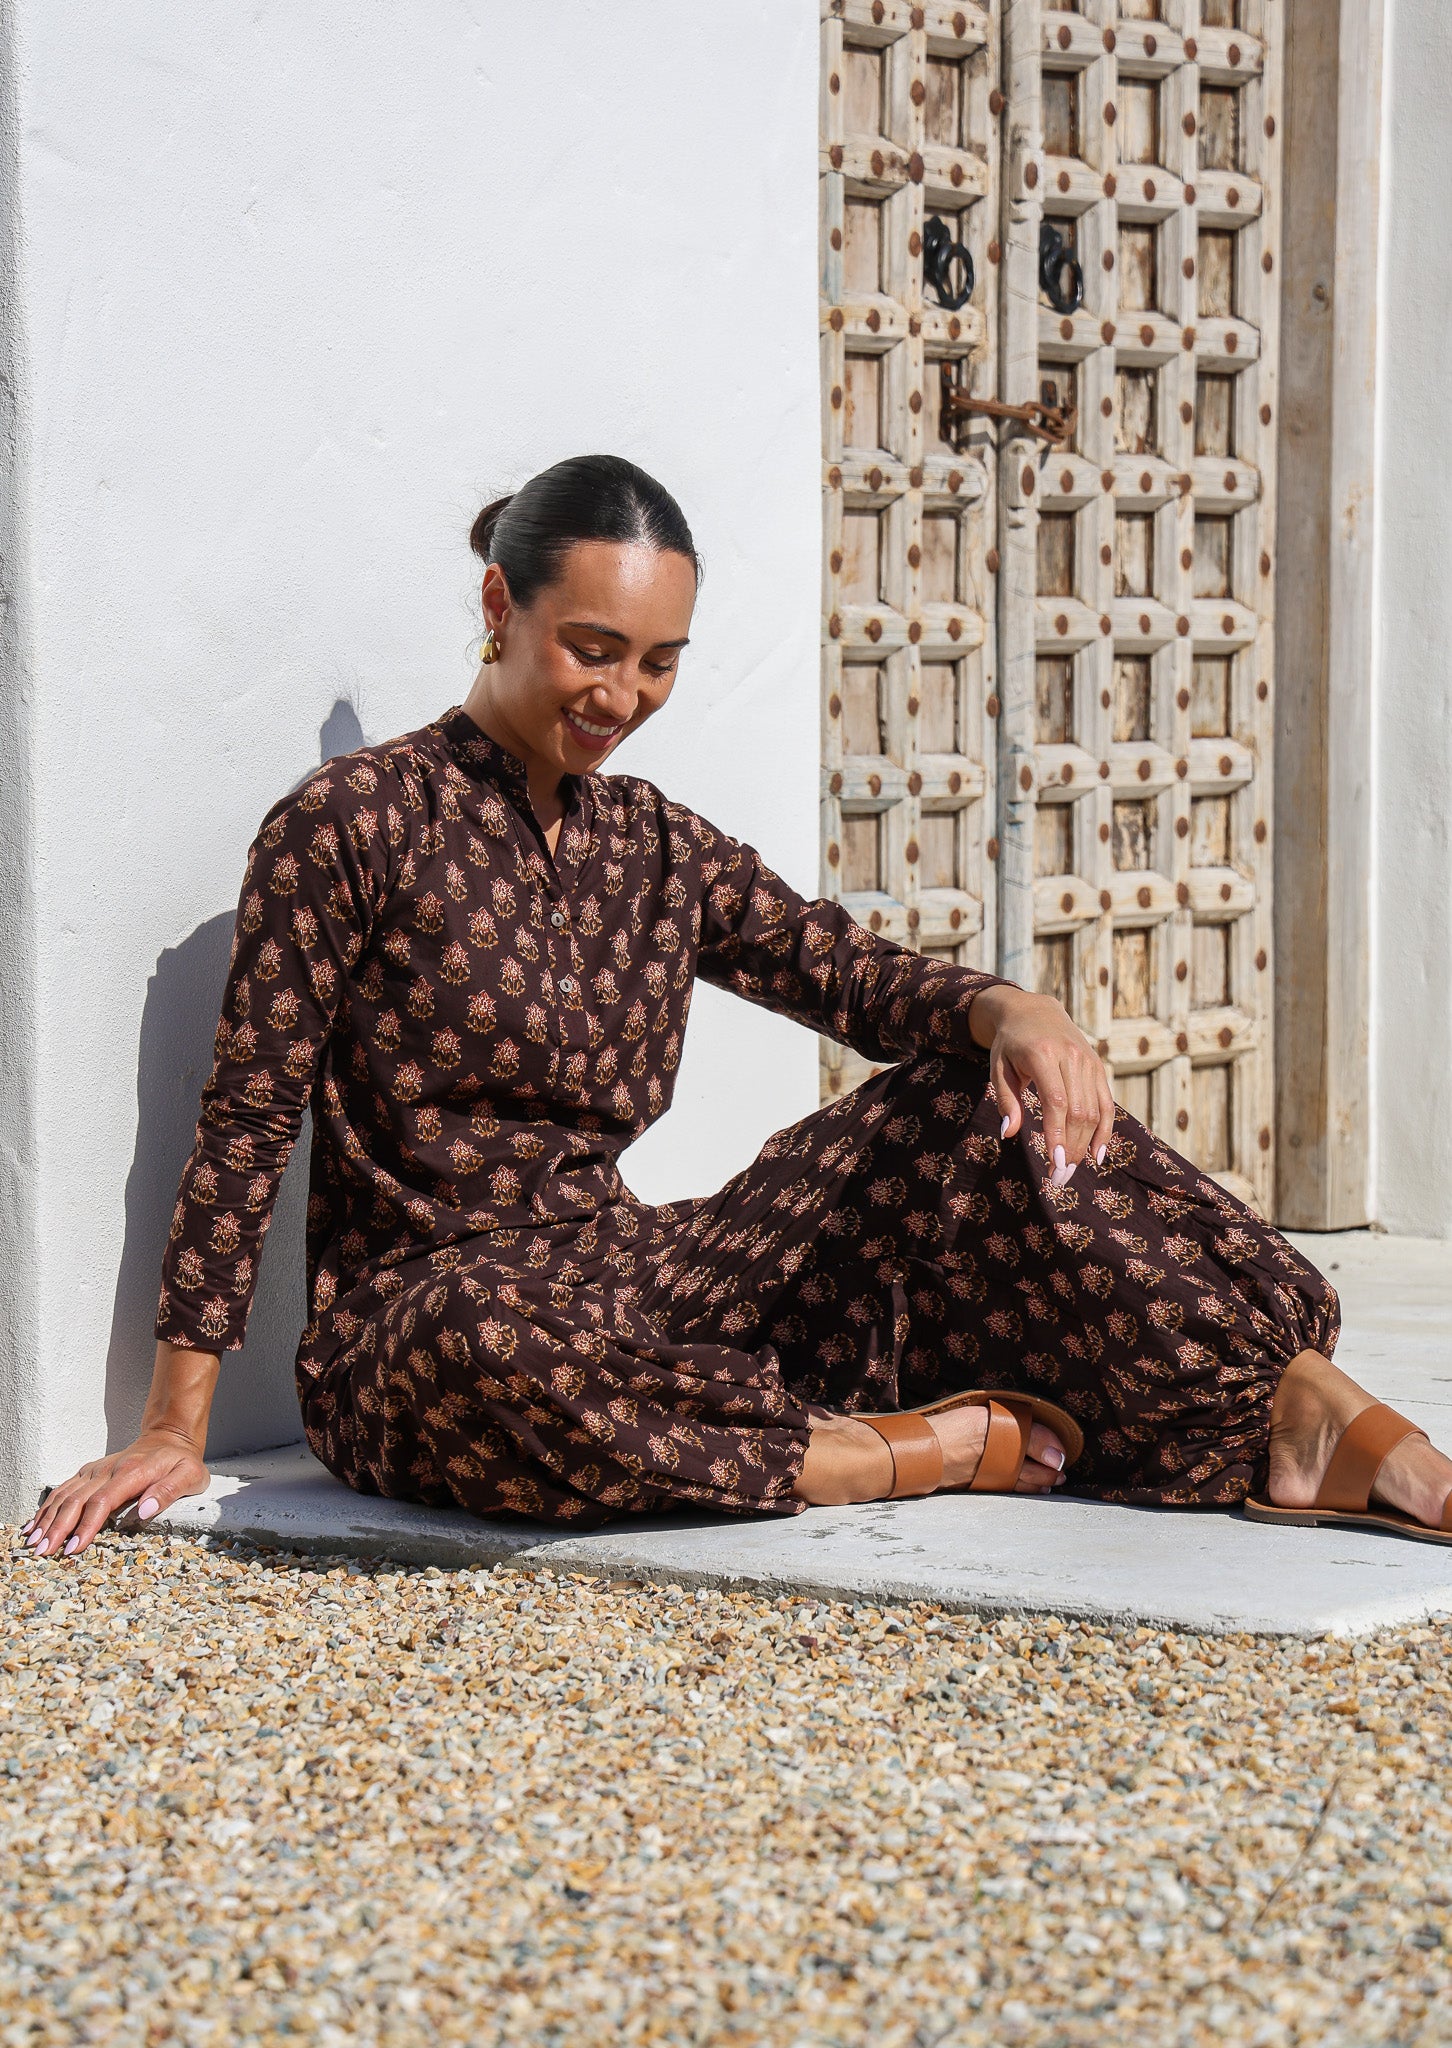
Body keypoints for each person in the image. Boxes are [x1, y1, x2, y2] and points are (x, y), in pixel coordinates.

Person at [24, 455, 1452, 1559]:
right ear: (498, 606)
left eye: (658, 663)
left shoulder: (654, 845)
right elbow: (249, 1116)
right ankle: (884, 1451)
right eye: (594, 648)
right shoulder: (349, 826)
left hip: (635, 1278)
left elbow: (851, 975)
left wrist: (1010, 1007)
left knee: (966, 1094)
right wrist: (172, 1427)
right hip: (430, 1317)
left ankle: (1305, 1413)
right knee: (488, 1350)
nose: (624, 695)